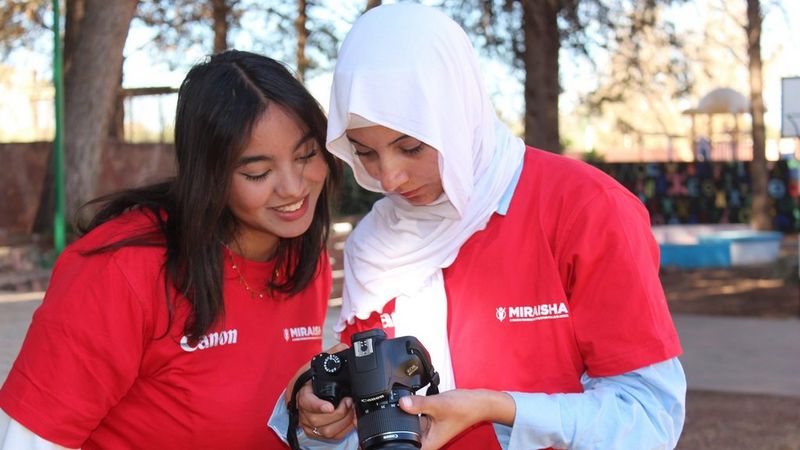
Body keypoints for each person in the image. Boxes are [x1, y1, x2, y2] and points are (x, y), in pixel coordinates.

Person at [286, 4, 686, 449]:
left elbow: (650, 419)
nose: (389, 178)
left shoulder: (586, 209)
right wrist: (326, 417)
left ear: (460, 114)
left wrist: (501, 409)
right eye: (365, 152)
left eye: (412, 147)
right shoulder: (373, 245)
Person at [0, 50, 341, 449]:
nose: (294, 187)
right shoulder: (122, 267)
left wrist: (315, 422)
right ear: (208, 174)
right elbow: (30, 439)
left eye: (306, 155)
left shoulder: (305, 259)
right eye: (258, 173)